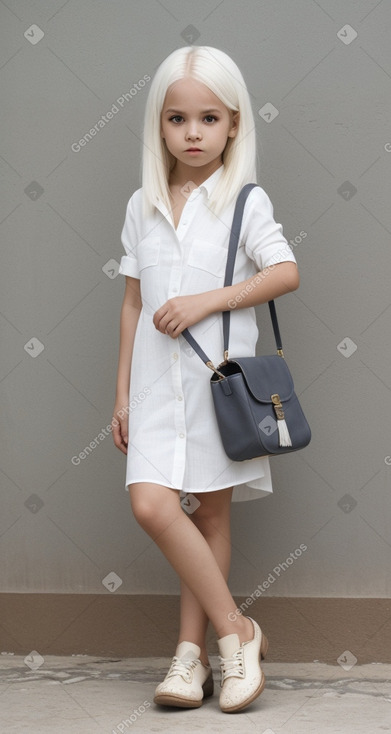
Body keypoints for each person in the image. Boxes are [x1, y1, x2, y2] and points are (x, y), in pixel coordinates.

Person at [112, 45, 299, 714]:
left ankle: (190, 658)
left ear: (234, 125)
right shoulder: (143, 203)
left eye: (208, 119)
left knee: (208, 511)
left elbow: (284, 272)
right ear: (157, 126)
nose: (192, 133)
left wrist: (208, 300)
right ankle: (239, 632)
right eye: (177, 119)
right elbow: (132, 302)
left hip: (216, 390)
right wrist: (121, 394)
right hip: (155, 389)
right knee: (153, 504)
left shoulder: (244, 201)